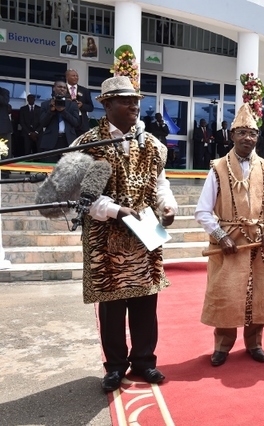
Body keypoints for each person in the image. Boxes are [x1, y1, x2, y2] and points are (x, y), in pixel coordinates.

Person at [69, 75, 178, 393]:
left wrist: (167, 207)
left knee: (146, 303)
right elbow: (84, 196)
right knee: (112, 306)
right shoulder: (88, 144)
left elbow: (161, 185)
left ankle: (144, 361)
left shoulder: (152, 144)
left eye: (136, 100)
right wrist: (119, 211)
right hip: (106, 238)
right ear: (106, 105)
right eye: (125, 100)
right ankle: (115, 367)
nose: (134, 105)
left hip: (146, 233)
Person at [195, 103, 264, 367]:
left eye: (253, 133)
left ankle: (255, 343)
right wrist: (221, 236)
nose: (248, 138)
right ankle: (222, 346)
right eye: (242, 133)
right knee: (225, 293)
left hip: (261, 242)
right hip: (228, 244)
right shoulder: (217, 168)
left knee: (260, 292)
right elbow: (202, 211)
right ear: (232, 135)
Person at [39, 79, 80, 163]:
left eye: (64, 88)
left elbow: (76, 123)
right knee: (49, 169)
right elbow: (42, 123)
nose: (62, 89)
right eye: (59, 87)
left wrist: (63, 111)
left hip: (68, 141)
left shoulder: (73, 105)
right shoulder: (45, 104)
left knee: (67, 169)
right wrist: (51, 111)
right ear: (54, 88)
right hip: (50, 142)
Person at [66, 69, 95, 134]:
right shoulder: (62, 88)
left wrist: (82, 105)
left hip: (81, 121)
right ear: (67, 77)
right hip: (67, 119)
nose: (76, 77)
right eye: (73, 76)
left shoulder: (85, 90)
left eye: (77, 76)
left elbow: (91, 107)